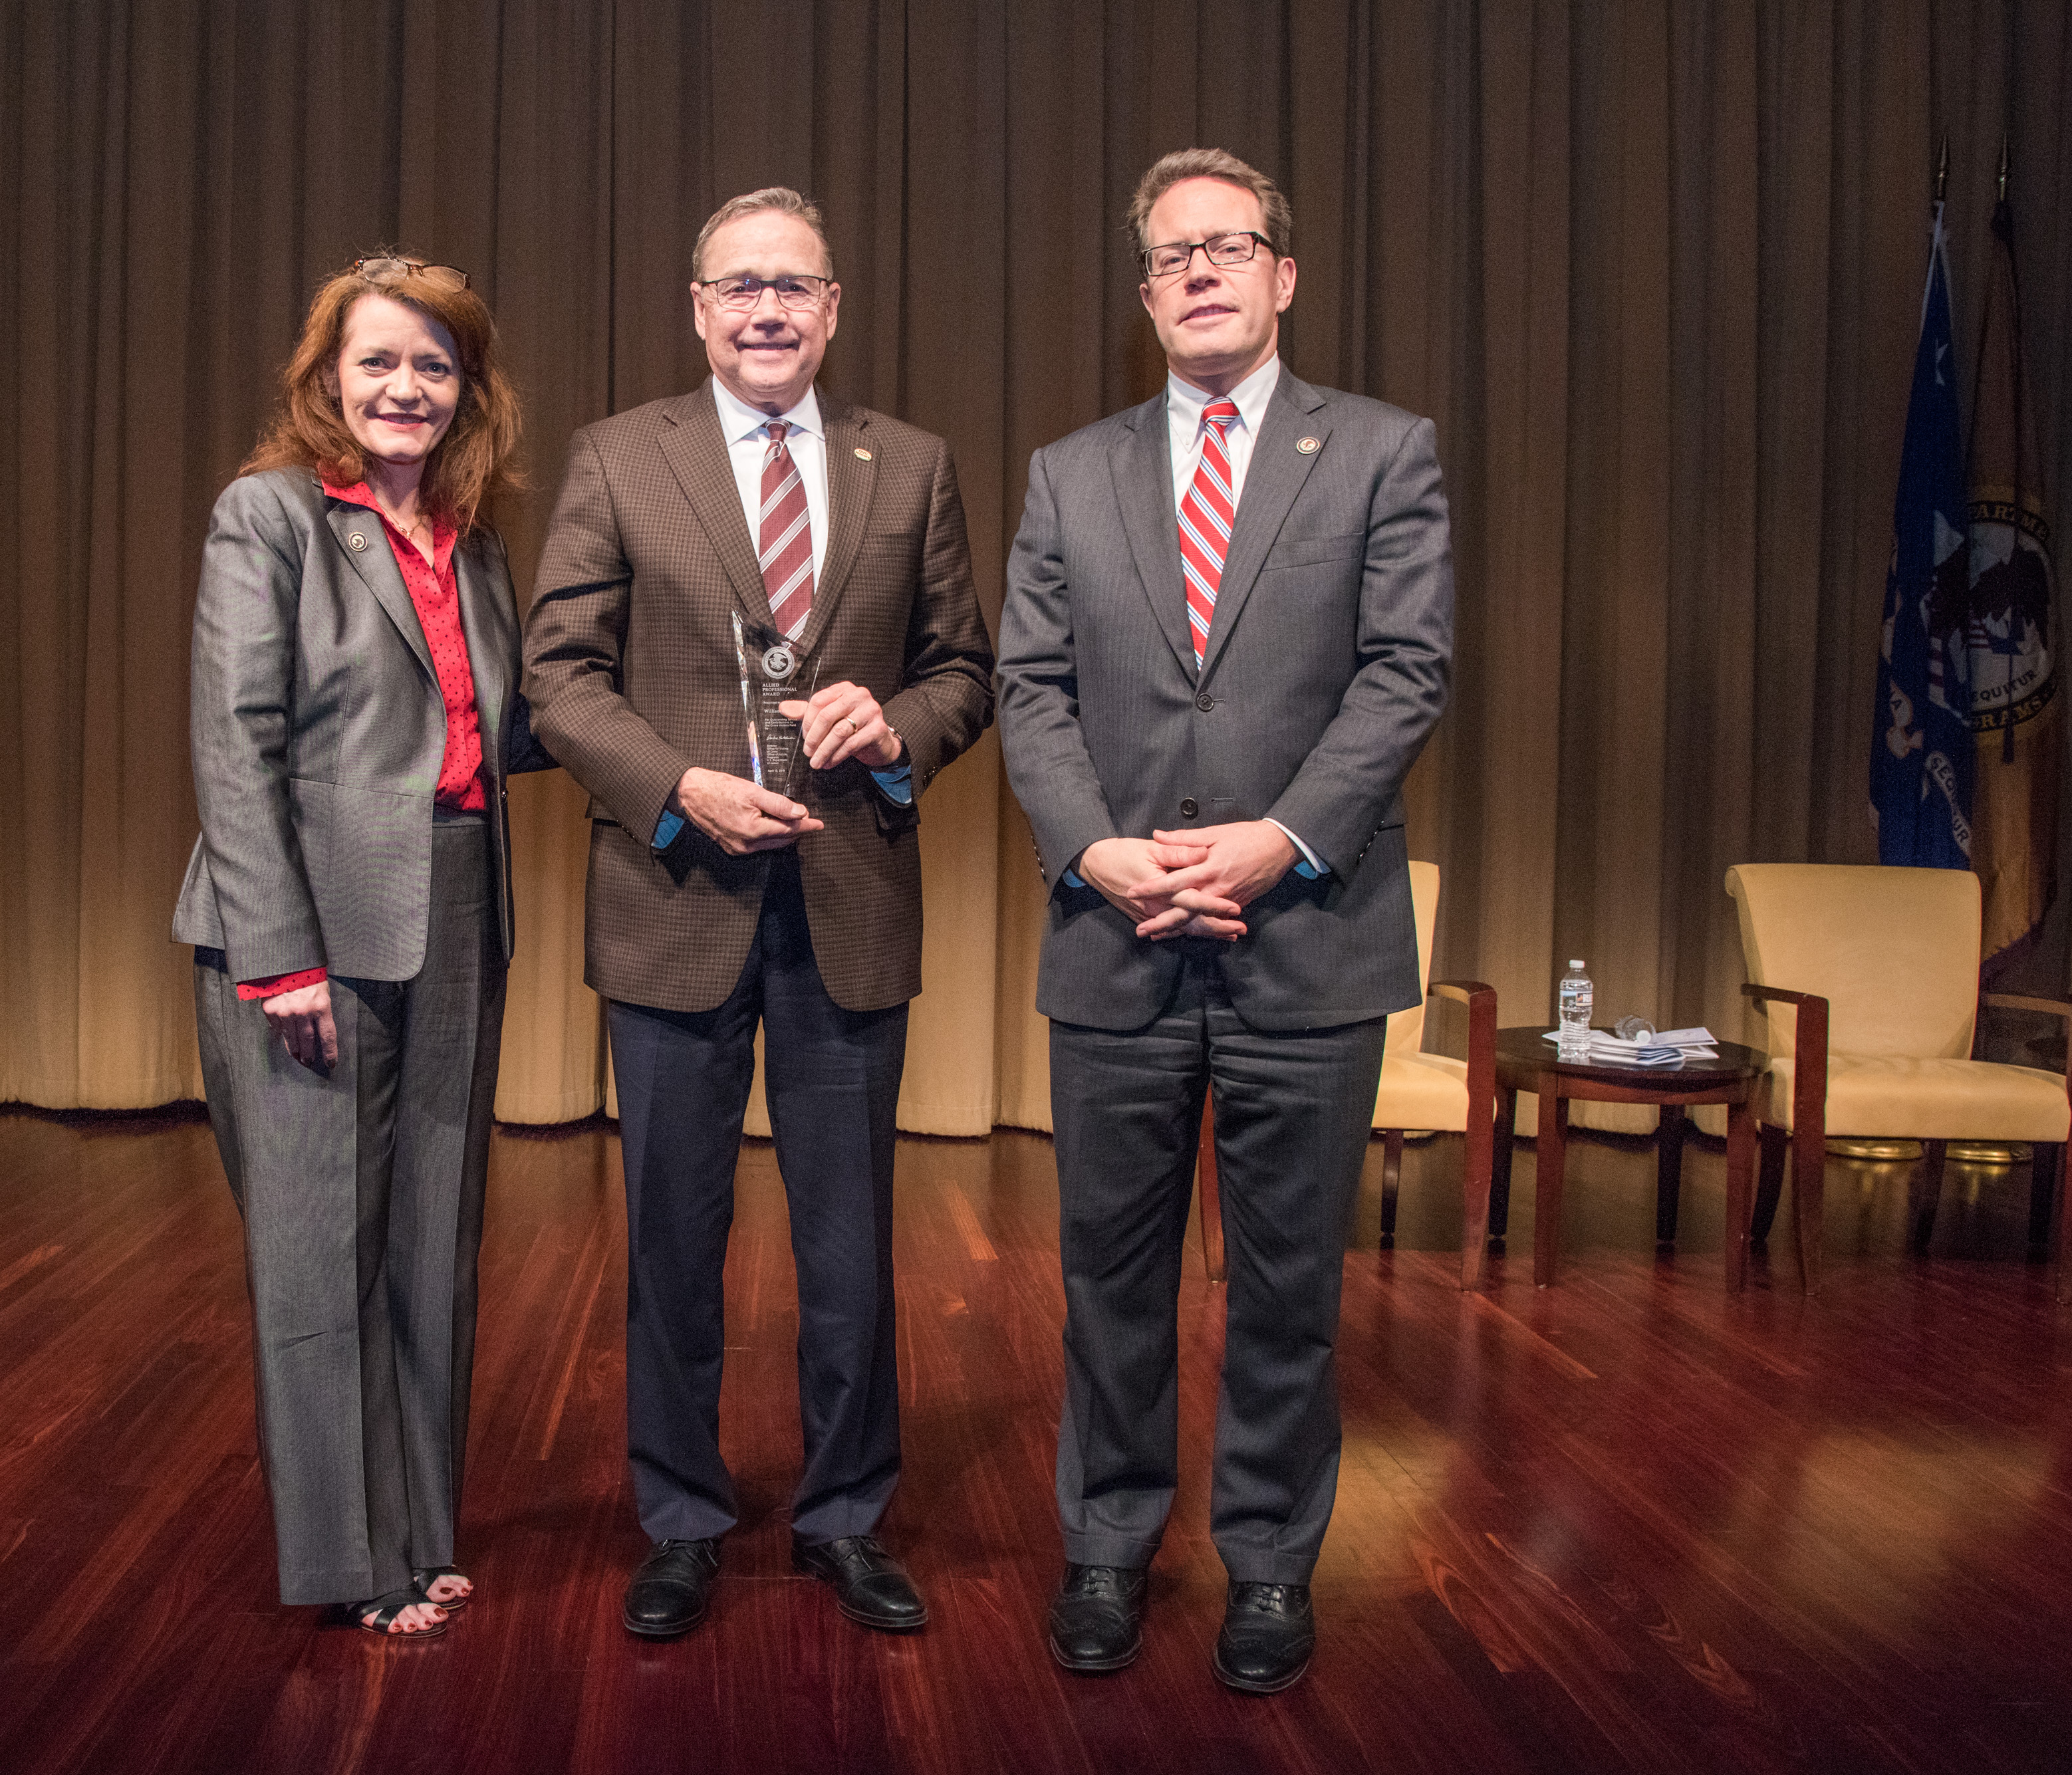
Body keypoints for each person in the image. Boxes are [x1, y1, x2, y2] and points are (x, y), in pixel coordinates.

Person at [997, 149, 1454, 1692]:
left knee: (1286, 1287)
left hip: (1307, 943)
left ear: (1281, 277)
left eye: (1228, 246)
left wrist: (1278, 842)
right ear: (1143, 294)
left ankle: (1267, 1567)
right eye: (1170, 255)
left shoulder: (1383, 453)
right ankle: (1109, 1547)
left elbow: (1403, 671)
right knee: (1107, 1284)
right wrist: (1098, 853)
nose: (1199, 272)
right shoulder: (1070, 471)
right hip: (1113, 936)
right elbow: (1028, 688)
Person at [523, 187, 993, 1639]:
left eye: (793, 284)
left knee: (848, 1239)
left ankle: (844, 1518)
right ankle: (680, 1520)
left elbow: (964, 670)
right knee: (672, 1234)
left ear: (833, 306)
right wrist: (676, 785)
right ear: (697, 306)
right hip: (674, 891)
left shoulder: (909, 467)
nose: (767, 309)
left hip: (846, 897)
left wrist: (897, 722)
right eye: (739, 285)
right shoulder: (615, 458)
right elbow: (557, 678)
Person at [174, 254, 550, 1639]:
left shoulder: (475, 541)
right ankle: (349, 1563)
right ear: (328, 378)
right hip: (305, 926)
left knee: (430, 1245)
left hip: (454, 907)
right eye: (379, 361)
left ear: (469, 392)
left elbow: (503, 732)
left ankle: (419, 1529)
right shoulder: (267, 516)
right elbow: (236, 739)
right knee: (320, 1253)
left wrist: (671, 720)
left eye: (434, 366)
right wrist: (275, 955)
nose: (405, 388)